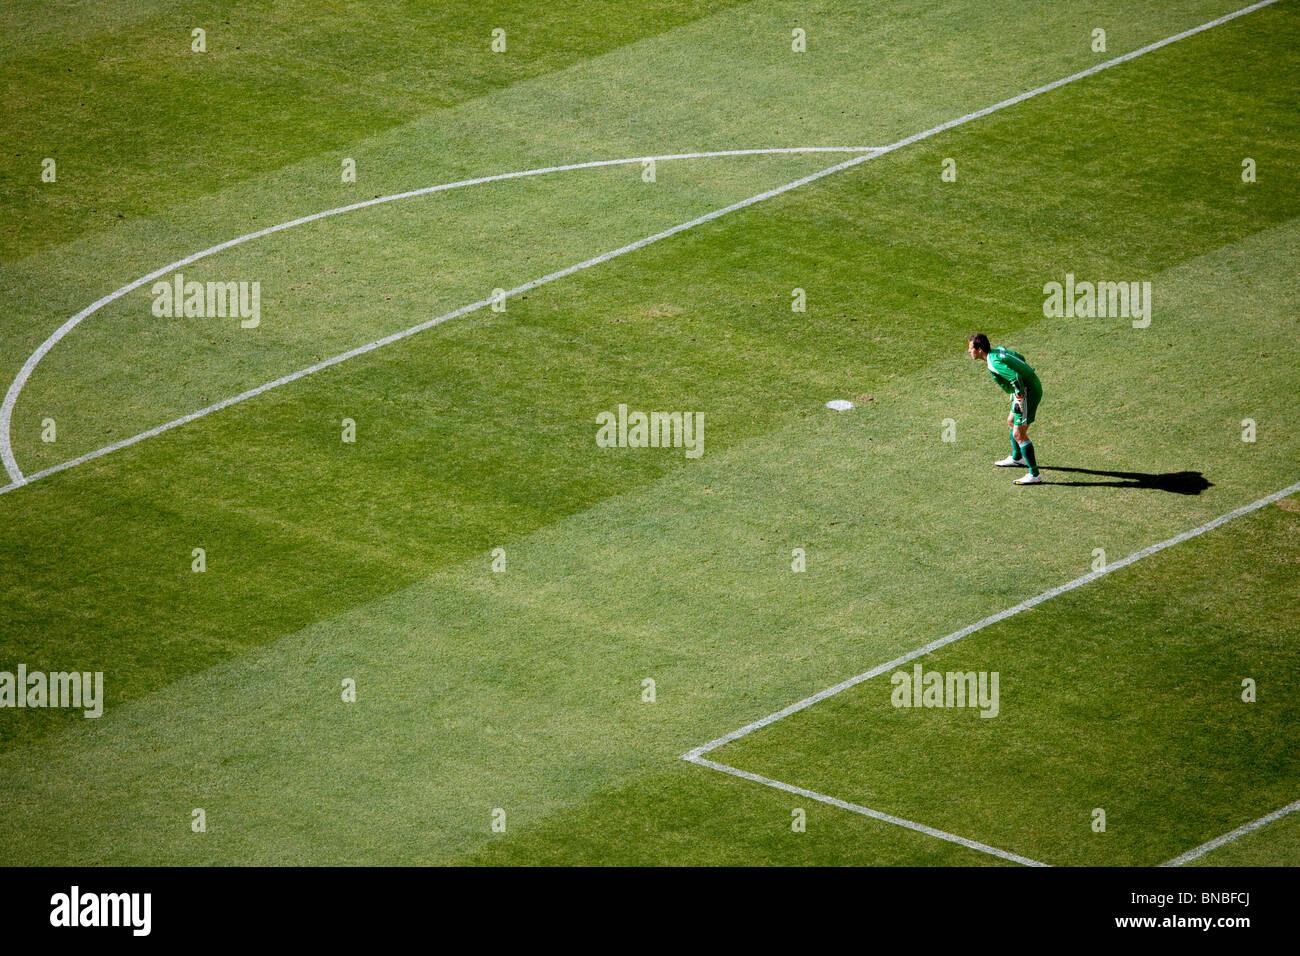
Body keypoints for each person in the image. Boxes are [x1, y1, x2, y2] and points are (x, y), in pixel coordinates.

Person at [967, 333, 1042, 485]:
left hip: (1028, 392)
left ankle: (1035, 474)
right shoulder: (998, 351)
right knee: (1011, 421)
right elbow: (1019, 357)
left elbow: (1015, 378)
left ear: (979, 349)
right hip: (1024, 389)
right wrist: (1015, 392)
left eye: (971, 348)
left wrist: (1019, 397)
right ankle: (1017, 458)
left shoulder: (993, 363)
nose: (969, 351)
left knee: (1018, 433)